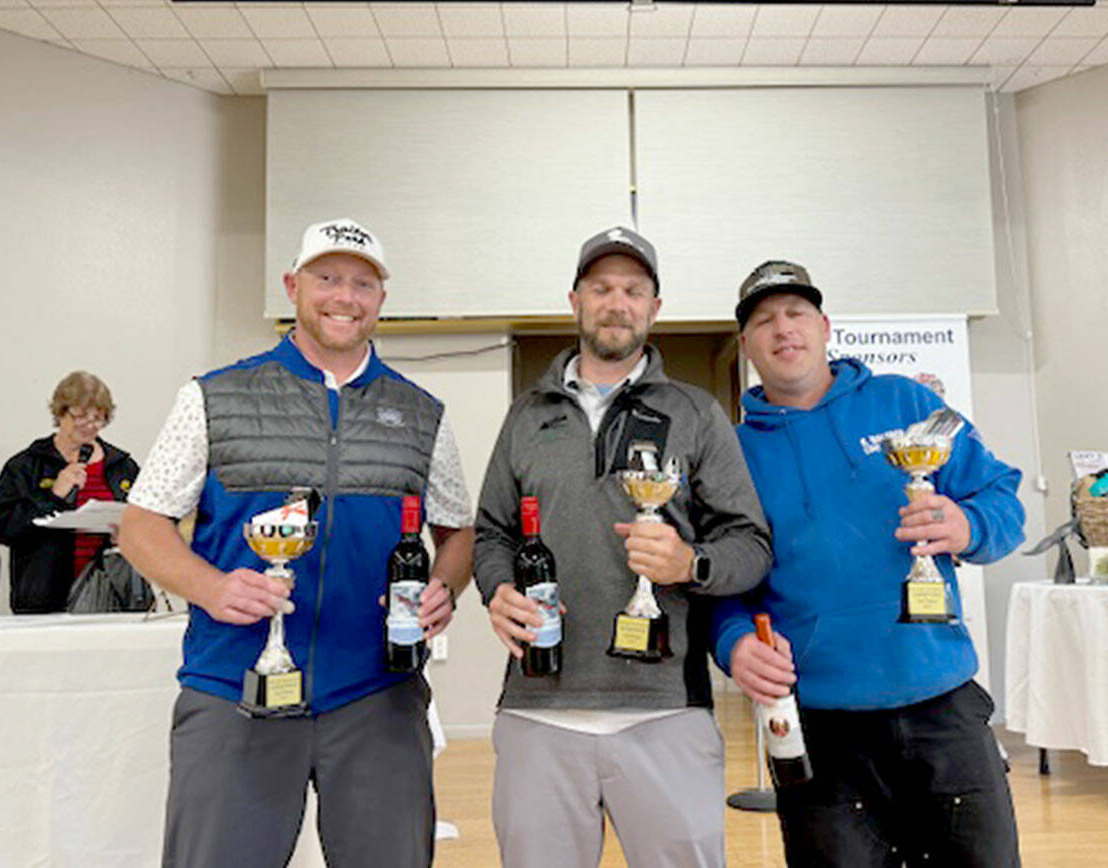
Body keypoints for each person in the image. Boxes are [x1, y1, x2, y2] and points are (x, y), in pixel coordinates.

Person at [119, 217, 474, 868]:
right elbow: (141, 524)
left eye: (362, 283)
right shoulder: (212, 397)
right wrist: (211, 586)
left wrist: (444, 586)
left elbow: (458, 531)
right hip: (233, 692)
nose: (345, 296)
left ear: (381, 300)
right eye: (328, 277)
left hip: (378, 697)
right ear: (293, 286)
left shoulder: (424, 414)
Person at [474, 226, 773, 868]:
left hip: (665, 711)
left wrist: (689, 563)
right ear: (575, 301)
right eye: (601, 288)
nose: (617, 302)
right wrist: (496, 589)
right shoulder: (527, 415)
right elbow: (492, 531)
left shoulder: (695, 414)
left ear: (654, 309)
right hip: (538, 708)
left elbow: (749, 543)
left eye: (634, 290)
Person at [712, 261, 1025, 867]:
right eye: (764, 320)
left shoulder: (906, 401)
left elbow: (1001, 497)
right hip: (821, 727)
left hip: (943, 707)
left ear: (825, 326)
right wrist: (733, 643)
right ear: (746, 344)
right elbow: (727, 579)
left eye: (797, 313)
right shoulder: (733, 453)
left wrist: (968, 526)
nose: (784, 330)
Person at [0, 371, 139, 613]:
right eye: (80, 417)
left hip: (113, 596)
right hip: (45, 600)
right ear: (60, 413)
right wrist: (53, 496)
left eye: (98, 418)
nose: (90, 426)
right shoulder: (28, 465)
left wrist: (130, 535)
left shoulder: (122, 467)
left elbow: (150, 522)